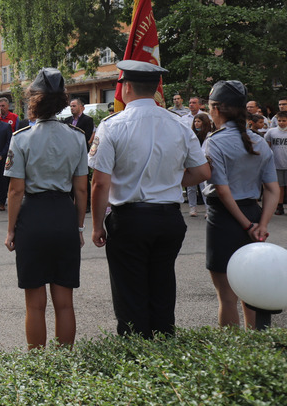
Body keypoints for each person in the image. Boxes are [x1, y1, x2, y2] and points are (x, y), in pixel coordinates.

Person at [89, 61, 210, 338]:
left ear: (126, 87)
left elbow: (100, 183)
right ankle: (164, 343)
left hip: (129, 219)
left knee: (130, 292)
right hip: (168, 218)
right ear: (156, 89)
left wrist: (97, 226)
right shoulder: (178, 124)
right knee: (162, 285)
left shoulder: (111, 125)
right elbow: (203, 171)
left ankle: (137, 356)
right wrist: (168, 181)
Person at [3, 67, 89, 349]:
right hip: (64, 216)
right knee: (64, 302)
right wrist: (78, 227)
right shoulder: (76, 137)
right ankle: (64, 362)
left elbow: (16, 190)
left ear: (34, 100)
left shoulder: (22, 137)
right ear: (62, 101)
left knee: (35, 304)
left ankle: (39, 366)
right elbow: (80, 189)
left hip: (33, 218)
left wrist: (10, 230)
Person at [202, 80, 279, 328]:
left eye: (210, 105)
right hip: (253, 214)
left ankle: (229, 359)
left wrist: (247, 225)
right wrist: (261, 224)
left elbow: (223, 192)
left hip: (225, 219)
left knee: (227, 297)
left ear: (218, 109)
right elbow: (272, 189)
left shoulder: (214, 141)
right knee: (251, 292)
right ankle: (252, 352)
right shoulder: (259, 141)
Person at [265, 111, 287, 216]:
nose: (281, 123)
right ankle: (279, 206)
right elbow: (266, 147)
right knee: (279, 186)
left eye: (284, 121)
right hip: (276, 164)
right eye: (279, 120)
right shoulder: (271, 132)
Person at [187, 112, 213, 217]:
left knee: (204, 186)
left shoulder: (210, 135)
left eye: (199, 121)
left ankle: (208, 209)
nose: (196, 123)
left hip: (204, 162)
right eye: (195, 121)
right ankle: (192, 208)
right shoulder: (191, 134)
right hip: (192, 162)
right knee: (191, 187)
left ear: (204, 122)